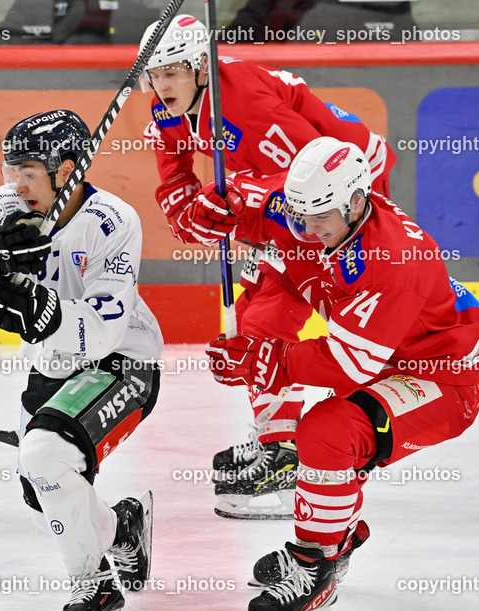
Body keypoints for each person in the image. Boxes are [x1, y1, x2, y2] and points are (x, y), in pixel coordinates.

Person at [196, 137, 479, 611]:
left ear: (357, 202)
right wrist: (211, 210)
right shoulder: (320, 205)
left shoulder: (393, 261)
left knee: (327, 432)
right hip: (385, 352)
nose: (307, 229)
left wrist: (267, 361)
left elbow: (348, 364)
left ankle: (317, 566)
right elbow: (245, 196)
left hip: (441, 375)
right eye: (299, 214)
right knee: (269, 287)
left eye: (319, 219)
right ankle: (333, 530)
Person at [137, 14, 397, 520]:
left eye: (173, 71)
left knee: (275, 317)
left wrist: (233, 201)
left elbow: (316, 174)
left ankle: (309, 446)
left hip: (345, 198)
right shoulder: (169, 106)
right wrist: (189, 212)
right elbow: (174, 175)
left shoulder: (243, 106)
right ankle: (281, 446)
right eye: (154, 73)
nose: (161, 84)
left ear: (200, 67)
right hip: (283, 201)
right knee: (257, 319)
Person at [0, 110, 163, 611]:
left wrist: (31, 300)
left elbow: (102, 328)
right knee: (40, 487)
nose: (16, 184)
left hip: (121, 362)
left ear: (67, 169)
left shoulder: (112, 221)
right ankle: (123, 527)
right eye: (10, 170)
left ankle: (96, 592)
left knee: (45, 454)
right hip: (51, 369)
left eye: (29, 171)